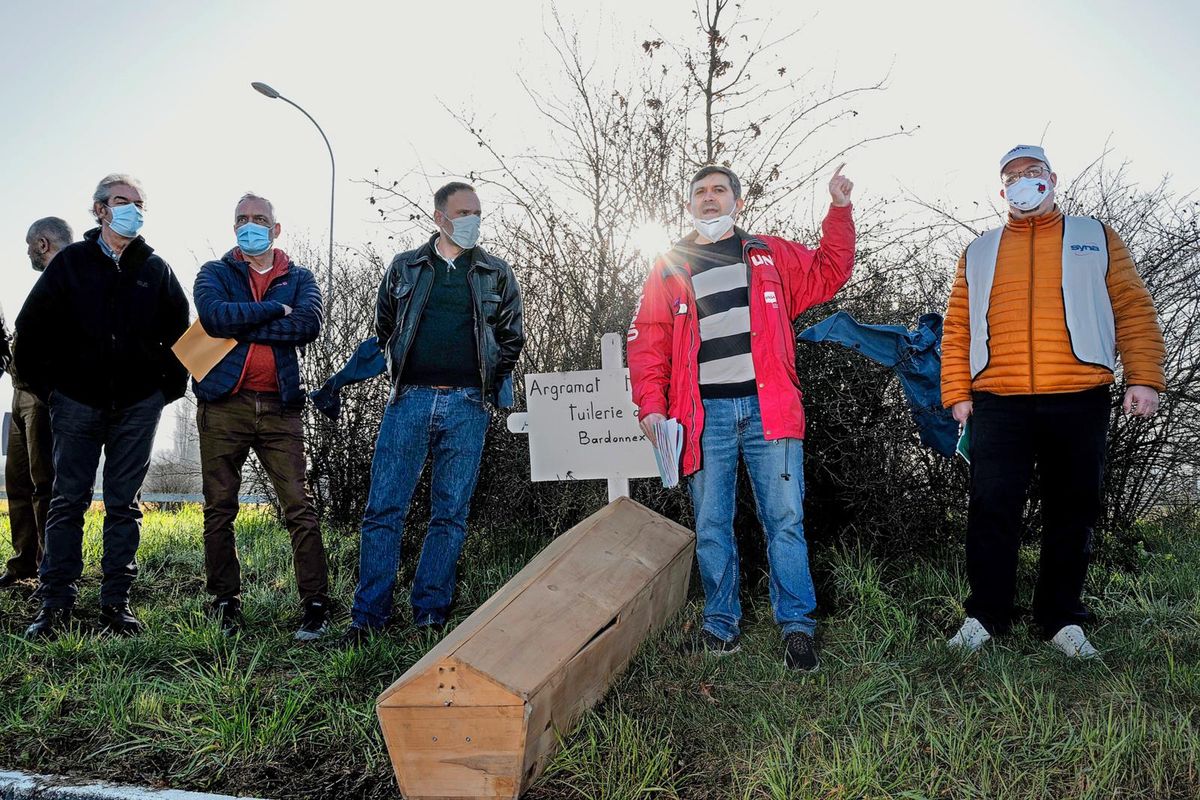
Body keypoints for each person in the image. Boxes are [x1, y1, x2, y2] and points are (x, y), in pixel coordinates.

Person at [627, 164, 856, 671]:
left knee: (786, 520)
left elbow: (830, 269)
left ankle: (797, 626)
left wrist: (839, 209)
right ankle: (720, 624)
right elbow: (649, 342)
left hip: (768, 410)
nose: (710, 199)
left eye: (719, 190)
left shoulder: (769, 254)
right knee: (711, 522)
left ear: (738, 200)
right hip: (701, 415)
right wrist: (651, 406)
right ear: (689, 205)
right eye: (700, 193)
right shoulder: (669, 265)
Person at [941, 145, 1166, 658]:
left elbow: (1132, 306)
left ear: (1052, 178)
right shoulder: (979, 250)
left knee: (1073, 510)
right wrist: (957, 391)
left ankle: (1062, 618)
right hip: (998, 401)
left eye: (1033, 172)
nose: (1024, 182)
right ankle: (985, 615)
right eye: (1013, 176)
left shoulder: (1095, 237)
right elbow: (956, 328)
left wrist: (1145, 376)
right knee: (991, 510)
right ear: (1002, 191)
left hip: (1080, 397)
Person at [339, 181, 524, 646]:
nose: (473, 220)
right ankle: (368, 618)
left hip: (467, 406)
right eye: (464, 212)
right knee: (383, 509)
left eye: (478, 212)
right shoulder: (405, 267)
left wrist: (484, 387)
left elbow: (510, 337)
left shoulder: (495, 273)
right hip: (409, 401)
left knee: (451, 513)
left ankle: (430, 615)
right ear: (439, 216)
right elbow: (383, 327)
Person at [15, 174, 189, 638]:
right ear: (100, 210)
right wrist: (53, 390)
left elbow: (181, 336)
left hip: (137, 405)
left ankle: (116, 602)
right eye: (121, 201)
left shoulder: (156, 270)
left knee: (124, 504)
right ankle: (55, 604)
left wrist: (163, 390)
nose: (132, 209)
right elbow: (29, 331)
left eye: (138, 202)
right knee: (67, 500)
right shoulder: (70, 263)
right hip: (76, 403)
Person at [192, 193, 329, 640]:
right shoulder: (214, 272)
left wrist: (242, 321)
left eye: (260, 219)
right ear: (234, 227)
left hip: (280, 408)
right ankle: (226, 601)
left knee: (300, 508)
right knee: (219, 508)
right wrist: (274, 310)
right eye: (242, 219)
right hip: (223, 405)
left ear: (276, 228)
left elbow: (307, 325)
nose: (250, 225)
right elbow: (214, 318)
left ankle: (314, 602)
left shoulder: (300, 277)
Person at [0, 218, 74, 589]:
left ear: (42, 243)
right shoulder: (47, 282)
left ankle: (50, 568)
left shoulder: (73, 278)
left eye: (30, 245)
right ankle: (23, 561)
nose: (28, 252)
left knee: (45, 484)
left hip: (46, 398)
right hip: (20, 394)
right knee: (17, 481)